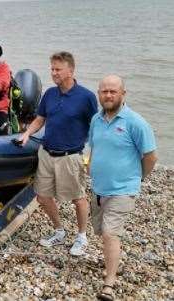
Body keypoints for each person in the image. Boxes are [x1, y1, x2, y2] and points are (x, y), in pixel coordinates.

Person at [17, 51, 98, 256]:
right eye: (52, 69)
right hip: (46, 153)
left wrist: (94, 154)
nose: (53, 73)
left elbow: (96, 127)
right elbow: (40, 119)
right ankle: (59, 231)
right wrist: (26, 133)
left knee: (78, 198)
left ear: (70, 70)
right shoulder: (50, 94)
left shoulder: (86, 97)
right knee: (43, 196)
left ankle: (81, 236)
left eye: (58, 69)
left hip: (70, 156)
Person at [89, 75, 157, 301]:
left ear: (123, 94)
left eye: (113, 91)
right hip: (98, 188)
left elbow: (150, 156)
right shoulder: (96, 120)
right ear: (99, 94)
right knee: (101, 231)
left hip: (123, 190)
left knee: (110, 233)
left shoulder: (135, 122)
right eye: (104, 91)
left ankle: (109, 283)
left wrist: (137, 179)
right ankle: (112, 258)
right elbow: (95, 148)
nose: (108, 95)